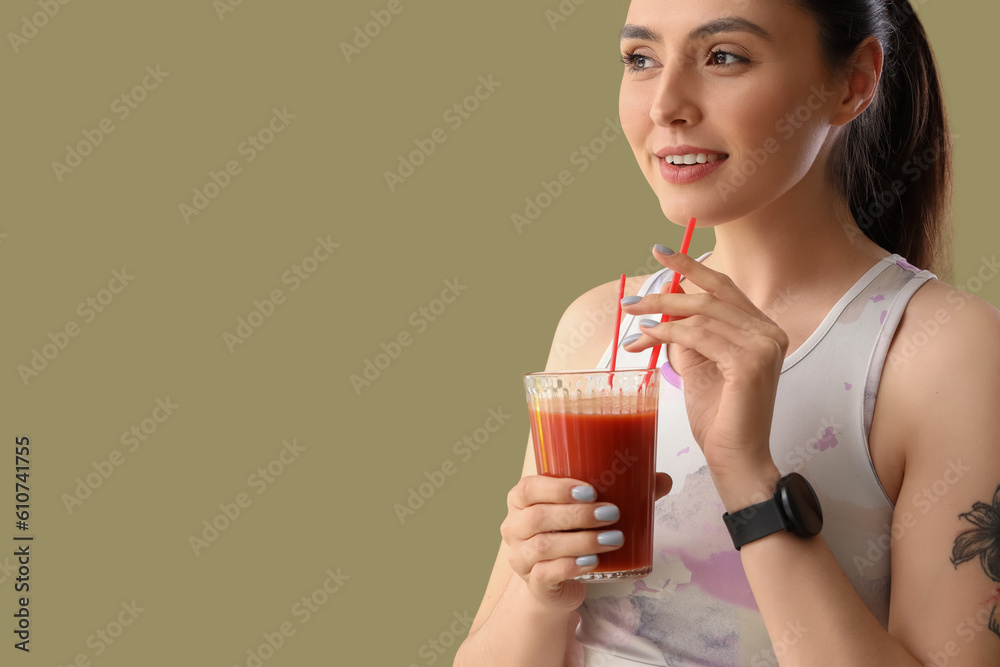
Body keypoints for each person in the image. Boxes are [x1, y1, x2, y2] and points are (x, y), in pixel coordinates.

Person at [455, 0, 1000, 664]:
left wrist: (748, 478)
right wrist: (541, 591)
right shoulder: (604, 325)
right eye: (641, 59)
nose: (666, 104)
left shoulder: (948, 351)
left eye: (723, 57)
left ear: (854, 82)